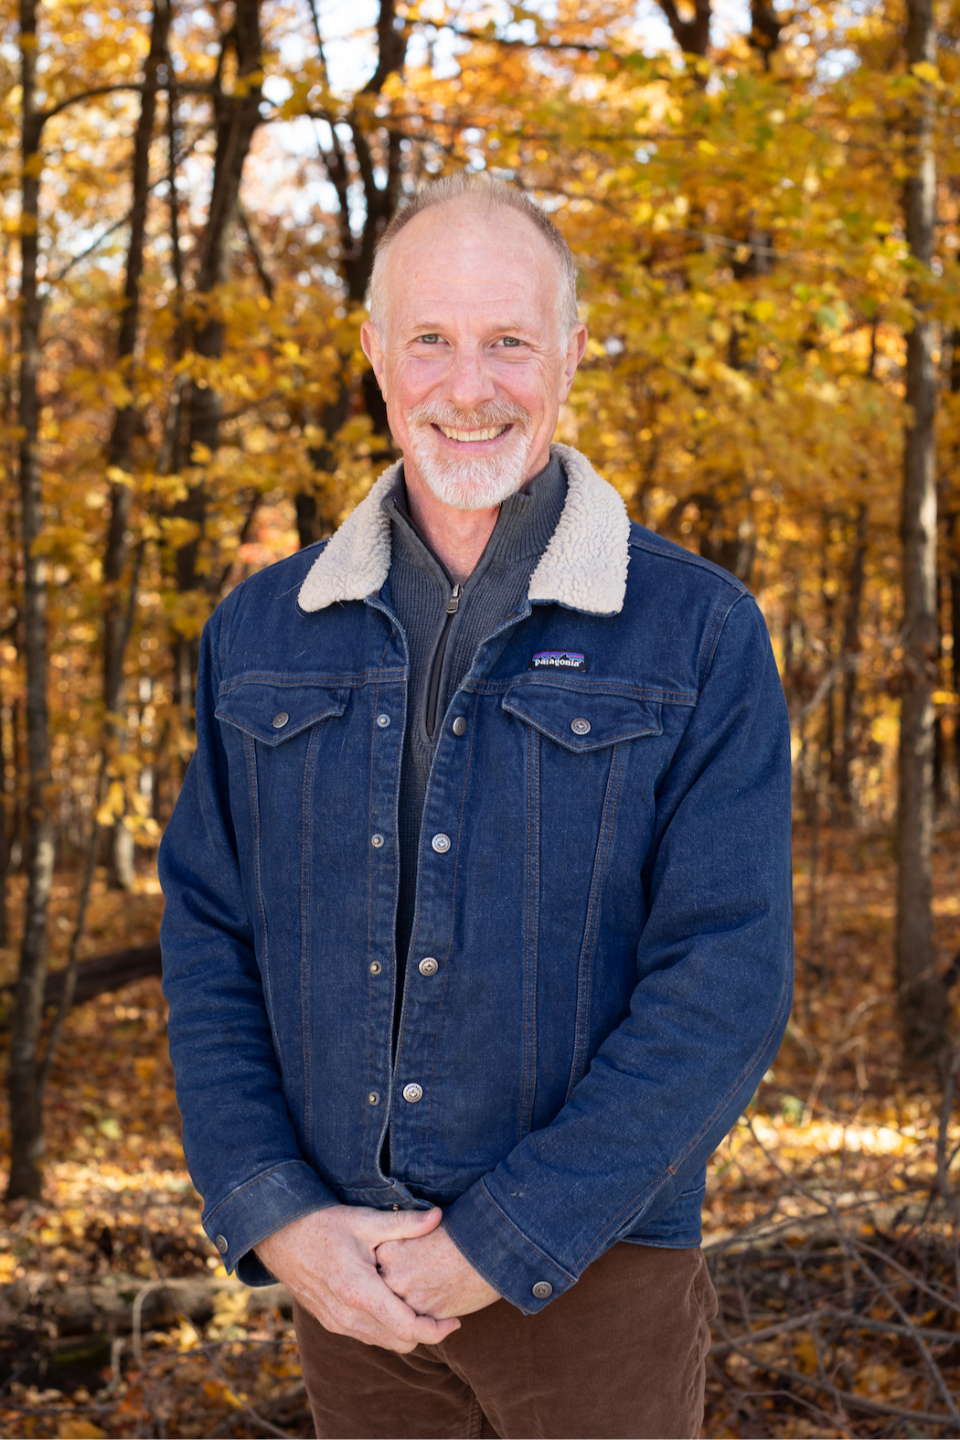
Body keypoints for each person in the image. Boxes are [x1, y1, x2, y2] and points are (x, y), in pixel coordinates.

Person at [159, 172, 793, 1439]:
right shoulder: (263, 631)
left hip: (598, 1275)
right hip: (350, 1283)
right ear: (373, 355)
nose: (468, 386)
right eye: (431, 340)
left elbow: (725, 978)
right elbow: (210, 943)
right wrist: (277, 1214)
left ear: (571, 352)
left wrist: (502, 1239)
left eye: (509, 341)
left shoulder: (698, 631)